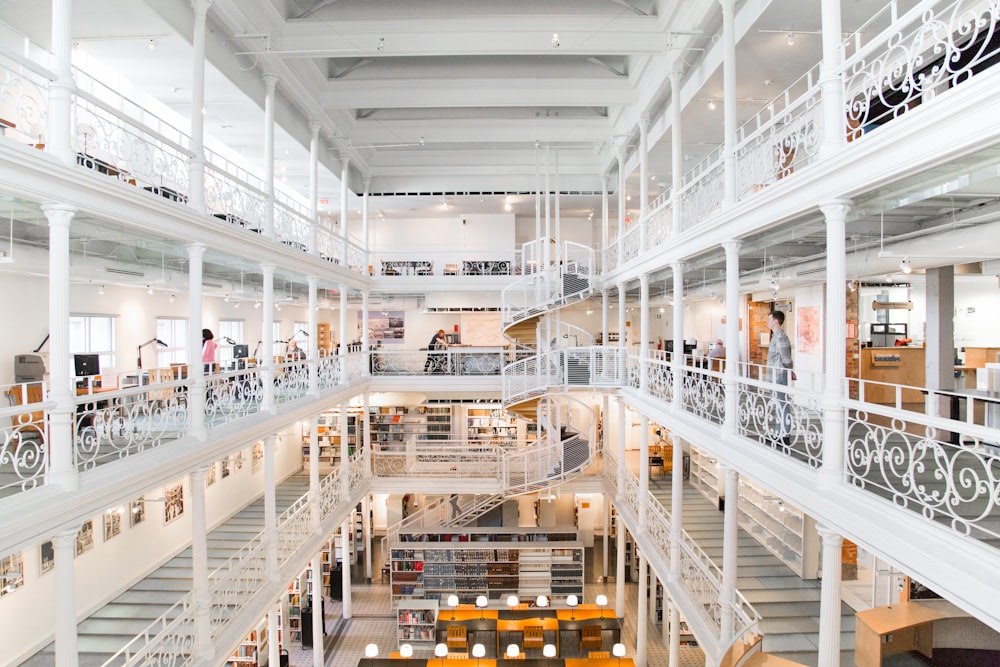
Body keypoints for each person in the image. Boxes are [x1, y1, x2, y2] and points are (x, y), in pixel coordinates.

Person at [766, 311, 795, 445]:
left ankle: (784, 434)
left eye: (769, 319)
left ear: (776, 321)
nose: (768, 322)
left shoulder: (781, 337)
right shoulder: (776, 336)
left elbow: (786, 358)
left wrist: (790, 370)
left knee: (782, 405)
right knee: (778, 405)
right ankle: (779, 433)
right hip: (776, 377)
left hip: (779, 376)